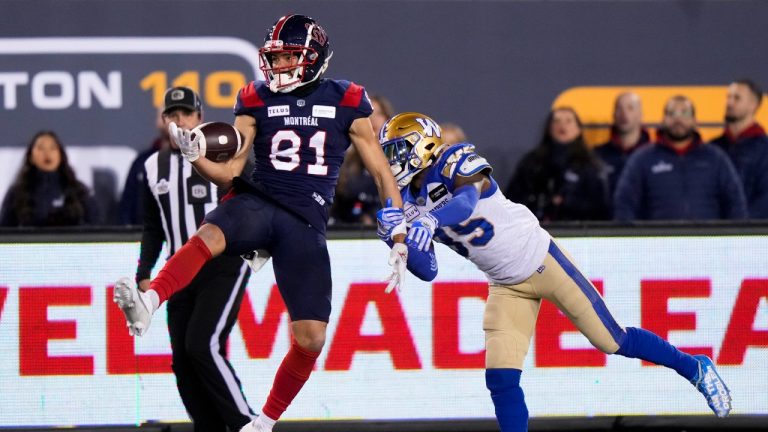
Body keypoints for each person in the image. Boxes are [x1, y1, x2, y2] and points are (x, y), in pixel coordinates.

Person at [113, 15, 407, 432]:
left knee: (312, 337)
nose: (280, 65)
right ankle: (150, 300)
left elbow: (380, 171)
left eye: (288, 56)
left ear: (313, 57)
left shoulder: (347, 99)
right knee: (210, 233)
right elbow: (230, 173)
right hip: (260, 200)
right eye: (276, 57)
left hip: (305, 221)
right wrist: (196, 156)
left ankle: (263, 423)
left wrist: (399, 234)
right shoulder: (256, 97)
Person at [375, 112, 733, 432]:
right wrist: (396, 240)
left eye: (397, 150)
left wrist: (430, 219)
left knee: (612, 340)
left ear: (423, 144)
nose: (391, 160)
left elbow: (467, 201)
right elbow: (429, 270)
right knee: (500, 378)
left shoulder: (454, 159)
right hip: (505, 284)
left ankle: (694, 367)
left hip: (541, 259)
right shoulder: (405, 200)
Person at [114, 86, 255, 431]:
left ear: (199, 117)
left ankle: (246, 424)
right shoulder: (152, 166)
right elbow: (153, 226)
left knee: (203, 345)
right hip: (178, 270)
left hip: (222, 264)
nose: (180, 121)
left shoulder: (222, 153)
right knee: (182, 360)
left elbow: (252, 197)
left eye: (186, 113)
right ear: (163, 121)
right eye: (172, 114)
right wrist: (144, 271)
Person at [614, 95, 747, 221]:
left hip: (707, 237)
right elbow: (624, 203)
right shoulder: (642, 158)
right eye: (672, 113)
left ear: (695, 121)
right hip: (657, 237)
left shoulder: (715, 158)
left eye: (685, 113)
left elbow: (735, 203)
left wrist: (737, 234)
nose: (678, 120)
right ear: (663, 120)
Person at [505, 107, 610, 221]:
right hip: (536, 226)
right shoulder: (533, 162)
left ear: (579, 129)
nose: (562, 125)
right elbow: (513, 198)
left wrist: (567, 202)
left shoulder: (589, 164)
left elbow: (599, 206)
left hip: (578, 228)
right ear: (549, 128)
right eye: (556, 121)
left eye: (568, 121)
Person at [1, 130, 98, 226]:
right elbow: (4, 230)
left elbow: (96, 227)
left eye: (53, 148)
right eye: (41, 148)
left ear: (61, 156)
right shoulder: (17, 193)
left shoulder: (79, 191)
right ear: (31, 157)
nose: (47, 153)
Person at [331, 94, 394, 225]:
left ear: (388, 119)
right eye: (368, 114)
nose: (373, 119)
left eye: (379, 114)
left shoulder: (401, 160)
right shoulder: (345, 162)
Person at [711, 78, 768, 218]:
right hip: (714, 228)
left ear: (753, 104)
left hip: (753, 228)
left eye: (737, 98)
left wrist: (742, 224)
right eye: (728, 97)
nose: (729, 103)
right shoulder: (713, 147)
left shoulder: (765, 149)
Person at [593, 92, 651, 203]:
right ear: (613, 114)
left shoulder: (655, 155)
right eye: (619, 108)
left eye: (630, 108)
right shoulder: (597, 155)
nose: (624, 114)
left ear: (641, 115)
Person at [118, 107, 171, 225]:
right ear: (158, 121)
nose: (173, 120)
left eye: (182, 114)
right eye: (167, 115)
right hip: (143, 233)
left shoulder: (200, 162)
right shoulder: (142, 163)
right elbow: (126, 208)